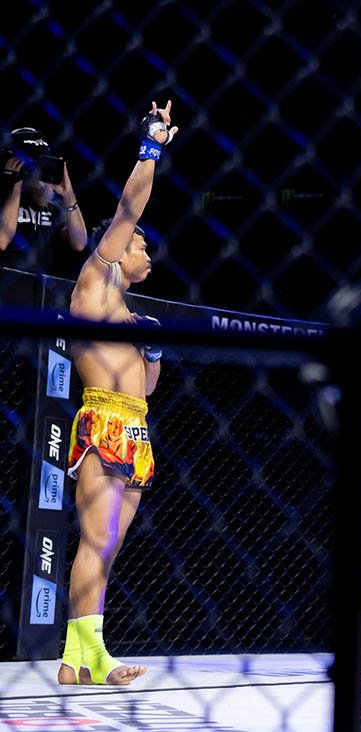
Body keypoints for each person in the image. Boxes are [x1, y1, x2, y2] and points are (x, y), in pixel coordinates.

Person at [57, 101, 177, 686]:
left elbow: (148, 389)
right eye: (140, 246)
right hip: (102, 421)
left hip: (135, 427)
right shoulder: (95, 283)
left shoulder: (131, 316)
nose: (146, 253)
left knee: (109, 547)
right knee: (96, 538)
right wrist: (151, 147)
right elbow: (132, 206)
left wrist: (153, 355)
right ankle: (86, 657)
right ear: (117, 247)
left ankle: (81, 658)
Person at [0, 127, 87, 276]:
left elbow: (79, 243)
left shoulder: (52, 207)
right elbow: (2, 240)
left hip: (40, 287)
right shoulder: (4, 198)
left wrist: (69, 195)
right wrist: (16, 185)